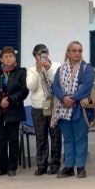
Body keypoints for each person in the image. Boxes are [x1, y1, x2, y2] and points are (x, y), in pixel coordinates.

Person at [0, 47, 29, 177]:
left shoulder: (21, 72)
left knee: (13, 139)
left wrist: (9, 99)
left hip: (14, 110)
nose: (8, 58)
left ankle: (12, 167)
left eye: (11, 56)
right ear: (1, 59)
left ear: (15, 58)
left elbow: (24, 90)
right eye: (6, 56)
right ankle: (1, 168)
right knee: (1, 140)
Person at [52, 41, 95, 179]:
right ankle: (69, 166)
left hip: (79, 109)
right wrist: (64, 97)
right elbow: (56, 86)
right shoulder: (60, 69)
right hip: (63, 109)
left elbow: (87, 86)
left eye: (80, 51)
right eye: (74, 50)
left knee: (80, 138)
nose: (77, 53)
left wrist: (73, 98)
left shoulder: (86, 68)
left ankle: (81, 167)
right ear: (68, 53)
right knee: (68, 138)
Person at [26, 43, 62, 176]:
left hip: (53, 106)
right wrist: (37, 70)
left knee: (55, 136)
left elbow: (57, 82)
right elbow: (31, 86)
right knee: (41, 137)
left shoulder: (56, 66)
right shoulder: (31, 70)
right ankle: (42, 164)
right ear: (35, 56)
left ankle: (55, 164)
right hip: (38, 106)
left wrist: (48, 68)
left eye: (45, 53)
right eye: (39, 54)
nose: (42, 57)